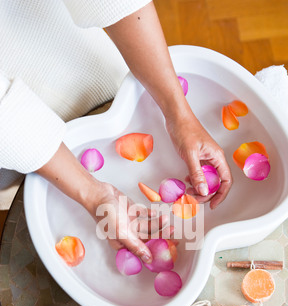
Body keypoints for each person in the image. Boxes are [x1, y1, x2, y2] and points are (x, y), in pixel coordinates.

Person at [0, 0, 232, 263]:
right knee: (23, 194)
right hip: (9, 141)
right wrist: (93, 194)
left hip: (63, 37)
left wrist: (180, 114)